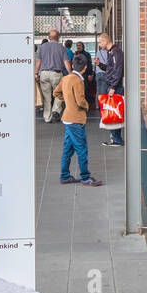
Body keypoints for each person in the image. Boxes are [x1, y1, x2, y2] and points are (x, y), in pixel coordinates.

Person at [58, 54, 102, 186]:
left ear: (72, 65)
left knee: (68, 149)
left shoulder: (66, 78)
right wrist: (87, 106)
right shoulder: (78, 81)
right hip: (76, 119)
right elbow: (80, 101)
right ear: (85, 67)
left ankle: (64, 176)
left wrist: (67, 101)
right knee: (82, 148)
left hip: (67, 118)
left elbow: (56, 92)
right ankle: (85, 177)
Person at [35, 29, 71, 124]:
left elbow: (38, 62)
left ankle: (47, 117)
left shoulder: (42, 47)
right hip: (56, 74)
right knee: (59, 93)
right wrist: (70, 73)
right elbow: (66, 62)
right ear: (58, 37)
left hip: (44, 74)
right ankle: (56, 110)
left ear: (49, 37)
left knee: (47, 97)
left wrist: (36, 73)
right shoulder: (61, 48)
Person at [95, 32, 124, 148]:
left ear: (105, 41)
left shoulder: (115, 52)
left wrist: (113, 87)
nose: (99, 45)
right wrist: (100, 65)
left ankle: (116, 139)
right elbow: (111, 69)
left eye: (100, 42)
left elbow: (118, 70)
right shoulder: (111, 52)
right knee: (113, 112)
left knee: (113, 113)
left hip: (114, 87)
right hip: (113, 85)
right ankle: (115, 138)